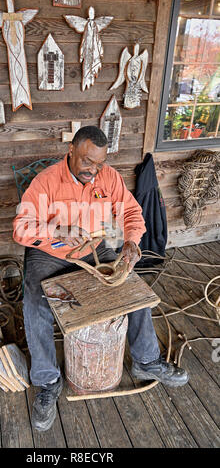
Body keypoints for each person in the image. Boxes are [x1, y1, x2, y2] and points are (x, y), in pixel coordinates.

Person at [13, 126, 188, 432]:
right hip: (53, 252)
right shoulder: (47, 181)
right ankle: (47, 381)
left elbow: (132, 213)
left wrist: (132, 241)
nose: (93, 171)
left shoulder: (108, 177)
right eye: (87, 162)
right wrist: (57, 231)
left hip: (96, 247)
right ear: (71, 151)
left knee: (130, 284)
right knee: (34, 297)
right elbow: (20, 228)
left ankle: (147, 360)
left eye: (99, 164)